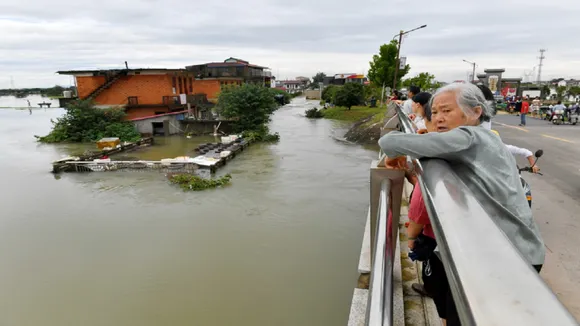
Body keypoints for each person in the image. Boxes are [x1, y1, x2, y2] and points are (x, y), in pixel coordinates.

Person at [379, 82, 545, 326]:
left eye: (447, 111)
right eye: (434, 112)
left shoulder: (467, 136)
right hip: (517, 251)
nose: (438, 119)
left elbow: (389, 142)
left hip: (508, 258)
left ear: (476, 112)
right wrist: (428, 142)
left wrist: (399, 152)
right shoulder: (488, 137)